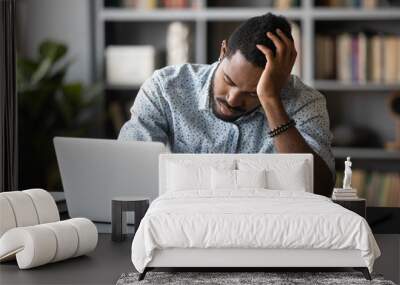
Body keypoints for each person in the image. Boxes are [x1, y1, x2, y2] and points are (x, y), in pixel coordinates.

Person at [118, 13, 335, 197]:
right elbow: (128, 167)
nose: (232, 99)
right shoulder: (166, 88)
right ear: (223, 51)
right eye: (229, 81)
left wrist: (270, 99)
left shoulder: (306, 102)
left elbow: (320, 190)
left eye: (252, 93)